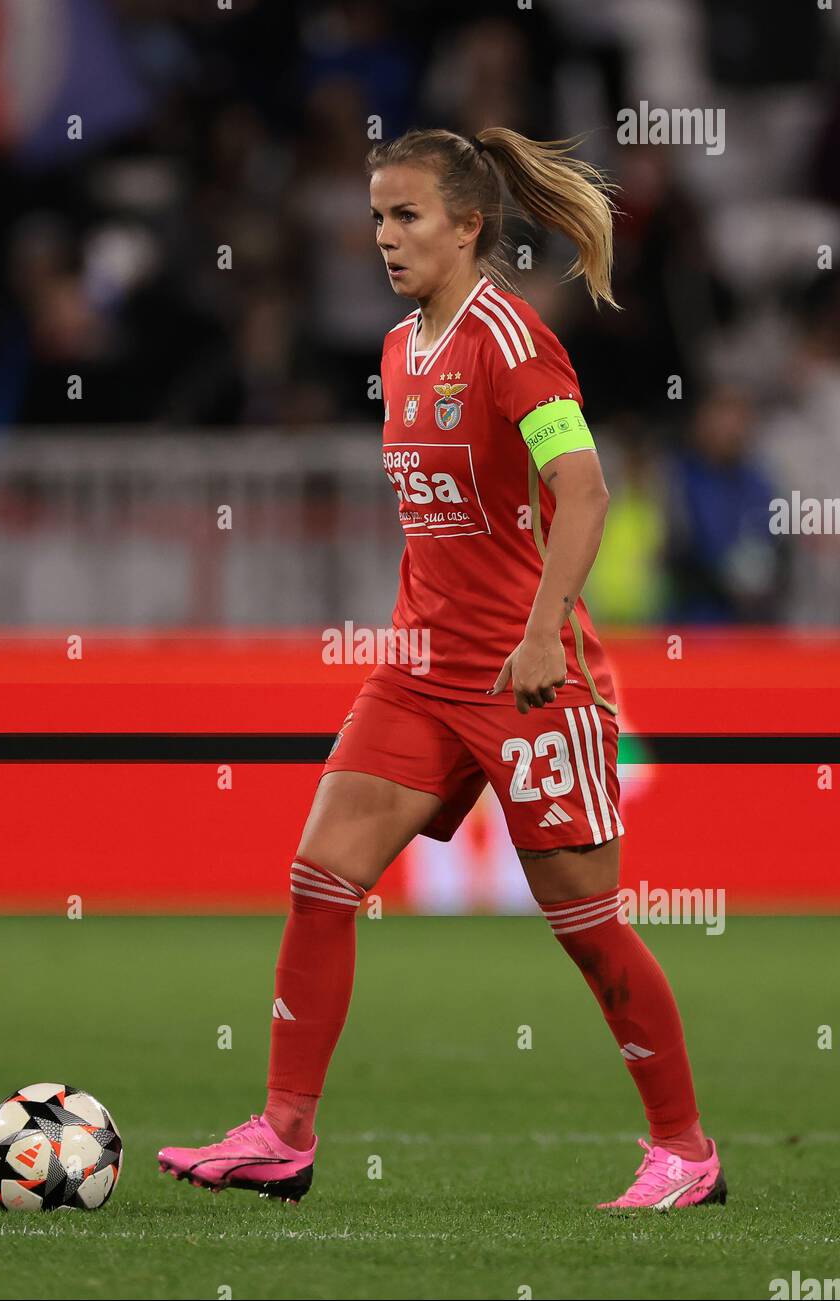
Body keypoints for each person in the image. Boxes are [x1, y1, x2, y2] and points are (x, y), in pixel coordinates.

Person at [158, 127, 726, 1212]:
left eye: (406, 214)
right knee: (320, 877)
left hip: (529, 678)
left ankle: (685, 1152)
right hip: (418, 670)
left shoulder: (511, 342)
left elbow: (588, 489)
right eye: (376, 215)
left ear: (468, 225)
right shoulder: (394, 349)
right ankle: (282, 1134)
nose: (383, 235)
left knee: (589, 930)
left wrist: (546, 629)